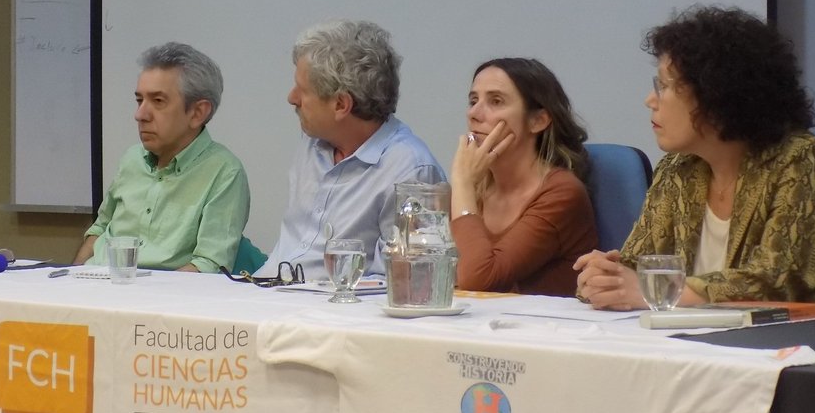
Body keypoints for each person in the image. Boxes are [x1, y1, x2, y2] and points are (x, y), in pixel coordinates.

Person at [574, 6, 815, 317]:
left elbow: (780, 281)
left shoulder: (802, 160)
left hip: (806, 341)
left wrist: (655, 289)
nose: (650, 100)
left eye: (664, 86)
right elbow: (639, 267)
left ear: (717, 95)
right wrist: (604, 278)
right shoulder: (678, 168)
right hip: (702, 338)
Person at [257, 20, 444, 280]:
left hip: (327, 303)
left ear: (341, 105)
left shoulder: (410, 171)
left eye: (303, 90)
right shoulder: (313, 142)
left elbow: (398, 281)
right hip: (265, 289)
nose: (292, 98)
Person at [75, 42, 249, 272]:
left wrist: (144, 294)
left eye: (158, 101)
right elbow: (100, 229)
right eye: (139, 100)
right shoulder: (131, 158)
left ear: (197, 113)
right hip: (95, 283)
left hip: (161, 291)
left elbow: (207, 266)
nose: (140, 115)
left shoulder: (224, 172)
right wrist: (72, 277)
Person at [449, 58, 596, 295]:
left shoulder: (562, 193)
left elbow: (480, 280)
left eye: (496, 101)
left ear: (538, 121)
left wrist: (462, 183)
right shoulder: (476, 186)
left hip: (543, 319)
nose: (474, 113)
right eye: (473, 101)